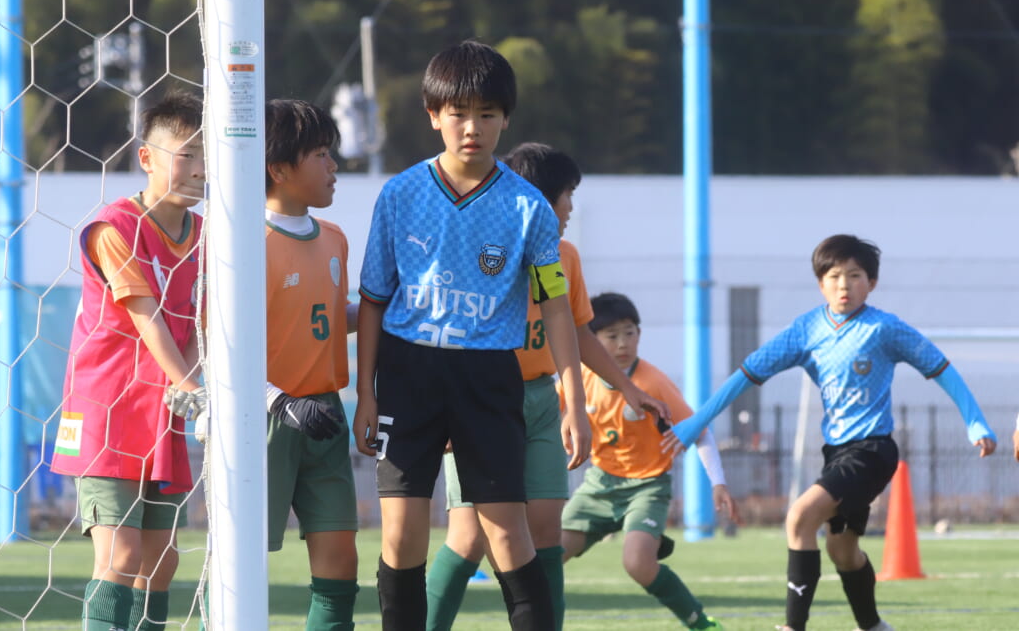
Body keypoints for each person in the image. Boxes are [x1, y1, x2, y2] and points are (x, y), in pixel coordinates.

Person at [353, 40, 592, 631]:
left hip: (487, 375)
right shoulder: (400, 195)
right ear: (433, 115)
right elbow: (374, 301)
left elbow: (556, 309)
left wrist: (575, 401)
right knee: (401, 534)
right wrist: (365, 394)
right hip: (408, 372)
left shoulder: (529, 208)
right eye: (458, 113)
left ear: (505, 119)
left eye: (487, 114)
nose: (472, 127)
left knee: (506, 533)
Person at [669, 234, 997, 631]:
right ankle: (873, 626)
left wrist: (975, 420)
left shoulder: (884, 328)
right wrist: (697, 421)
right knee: (842, 551)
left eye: (855, 276)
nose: (845, 285)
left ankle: (793, 627)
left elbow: (940, 367)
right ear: (820, 283)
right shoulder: (806, 329)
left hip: (873, 451)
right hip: (837, 454)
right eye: (834, 276)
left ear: (871, 283)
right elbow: (746, 374)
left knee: (799, 517)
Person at [426, 143, 671, 631]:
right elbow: (445, 333)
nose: (571, 208)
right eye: (567, 195)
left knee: (545, 535)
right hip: (479, 402)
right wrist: (445, 410)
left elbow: (578, 332)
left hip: (540, 401)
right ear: (537, 198)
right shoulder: (478, 248)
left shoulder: (566, 256)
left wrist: (623, 388)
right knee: (469, 539)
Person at [50, 90, 207, 631]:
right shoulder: (114, 227)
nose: (200, 168)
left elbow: (201, 323)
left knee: (161, 563)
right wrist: (194, 387)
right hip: (107, 411)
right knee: (121, 555)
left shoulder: (207, 238)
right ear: (147, 158)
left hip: (164, 410)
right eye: (186, 154)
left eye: (207, 156)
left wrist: (188, 383)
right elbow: (148, 318)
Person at [560, 292, 735, 631]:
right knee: (549, 555)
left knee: (638, 563)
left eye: (629, 333)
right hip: (599, 485)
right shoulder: (580, 377)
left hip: (648, 487)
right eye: (612, 336)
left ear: (639, 334)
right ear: (591, 340)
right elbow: (547, 408)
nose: (622, 343)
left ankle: (700, 622)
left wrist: (718, 482)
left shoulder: (653, 382)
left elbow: (699, 432)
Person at [263, 99, 359, 629]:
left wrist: (386, 307)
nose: (333, 166)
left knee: (341, 560)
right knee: (243, 561)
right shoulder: (244, 244)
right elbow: (219, 347)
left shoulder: (335, 238)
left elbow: (328, 318)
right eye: (321, 154)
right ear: (278, 169)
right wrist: (278, 401)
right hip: (265, 419)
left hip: (325, 415)